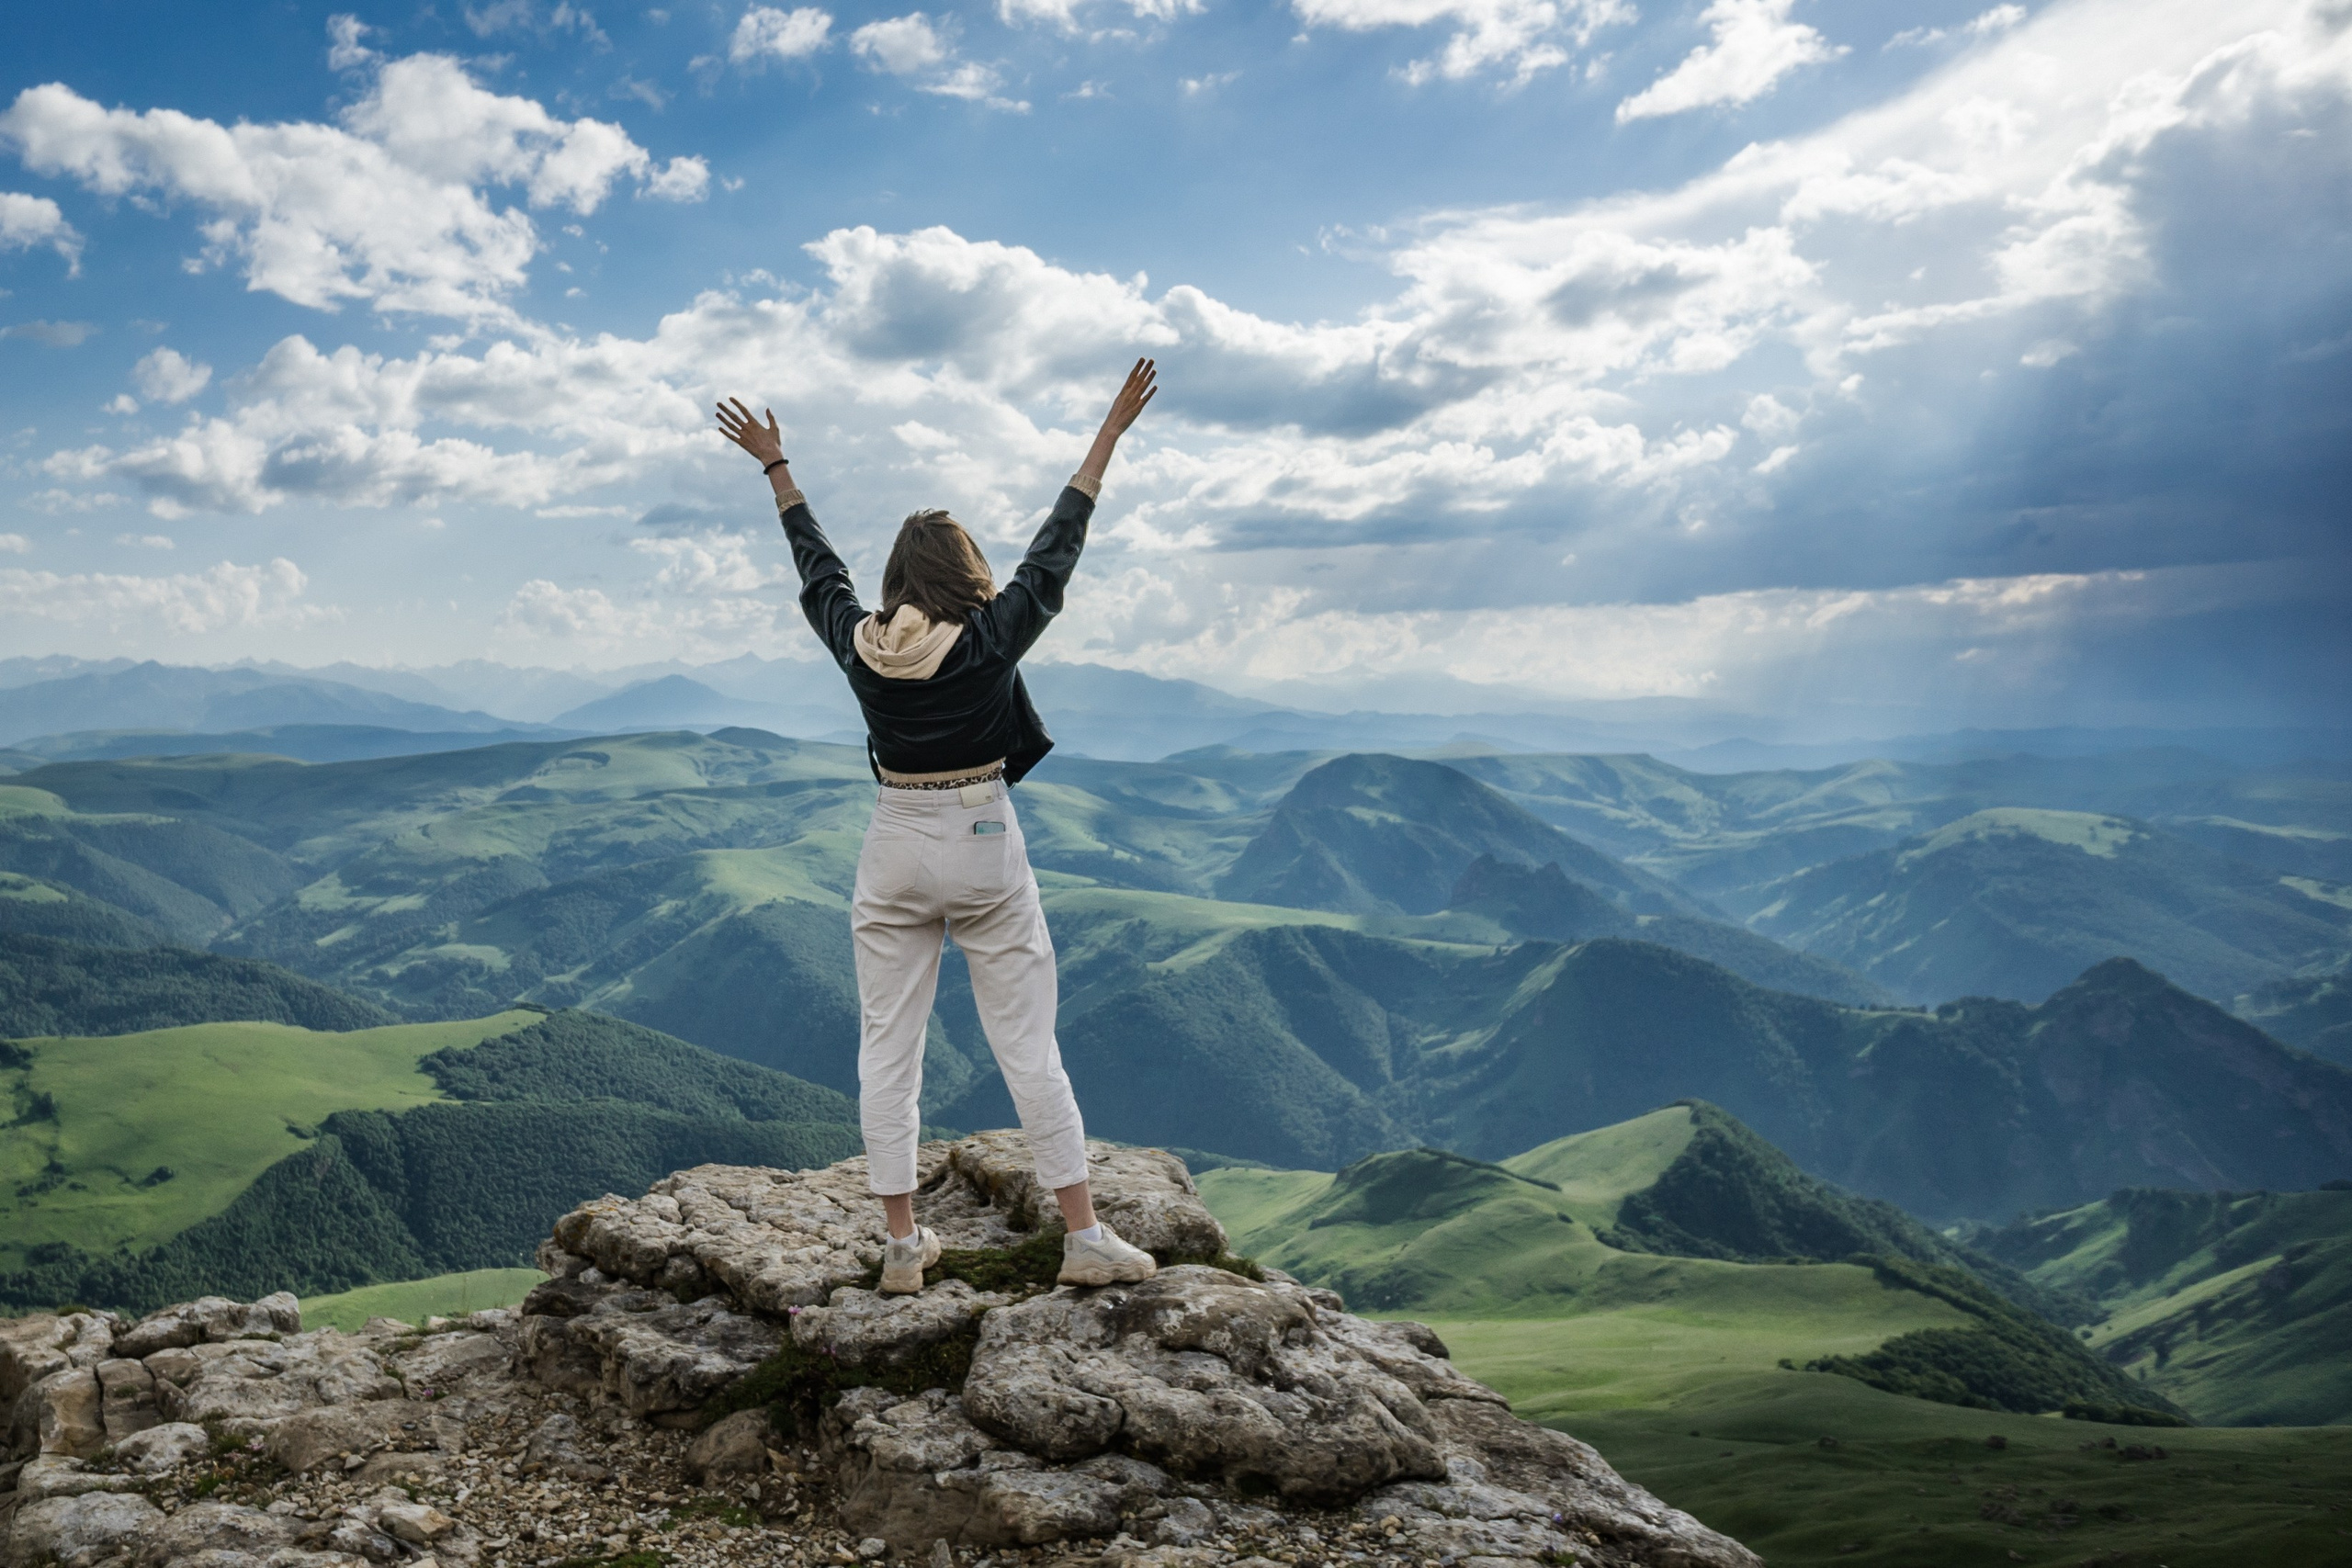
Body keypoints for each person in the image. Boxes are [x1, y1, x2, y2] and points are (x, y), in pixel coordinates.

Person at [714, 359, 1159, 1295]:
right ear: (965, 575)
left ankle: (905, 1247)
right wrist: (1107, 437)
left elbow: (817, 568)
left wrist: (777, 468)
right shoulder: (991, 637)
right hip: (981, 831)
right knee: (1028, 1046)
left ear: (896, 577)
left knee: (888, 1047)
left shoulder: (859, 644)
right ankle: (1083, 1238)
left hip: (895, 840)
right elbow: (1056, 549)